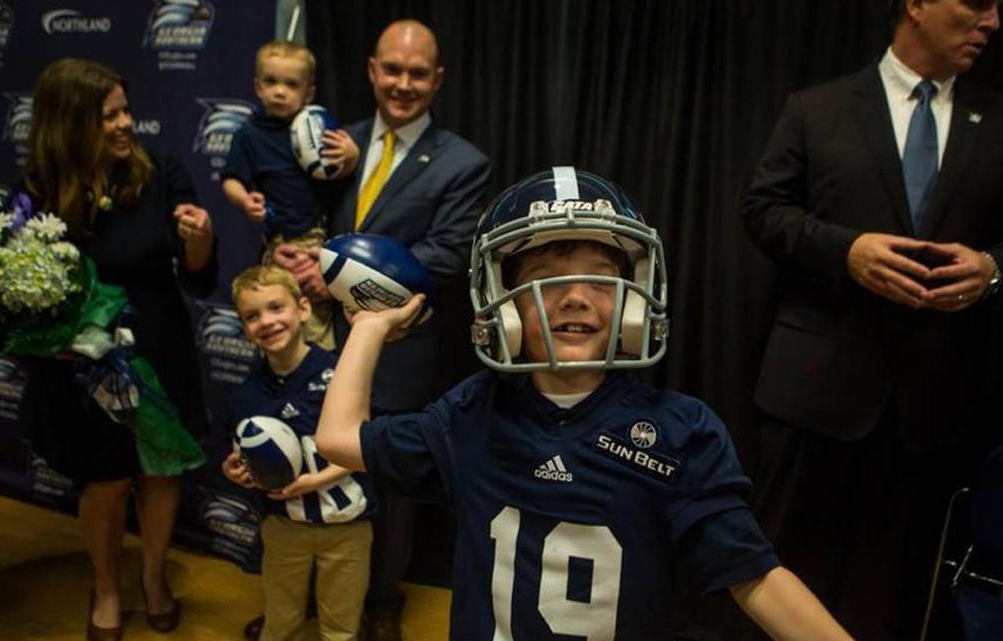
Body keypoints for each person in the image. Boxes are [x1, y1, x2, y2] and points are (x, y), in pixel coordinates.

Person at [315, 168, 855, 641]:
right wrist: (369, 326)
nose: (575, 297)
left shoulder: (679, 430)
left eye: (600, 278)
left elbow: (754, 576)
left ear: (632, 303)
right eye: (546, 281)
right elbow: (338, 440)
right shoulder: (474, 412)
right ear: (505, 309)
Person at [740, 1, 1003, 639]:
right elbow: (762, 210)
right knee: (779, 578)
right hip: (814, 399)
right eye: (977, 3)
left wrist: (989, 271)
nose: (994, 23)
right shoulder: (815, 108)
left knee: (893, 600)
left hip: (932, 408)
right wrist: (844, 251)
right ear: (918, 5)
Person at [273, 19, 491, 641]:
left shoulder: (462, 162)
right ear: (371, 70)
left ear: (437, 79)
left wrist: (339, 281)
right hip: (317, 340)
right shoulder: (336, 143)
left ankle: (382, 602)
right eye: (391, 70)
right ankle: (315, 595)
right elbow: (305, 214)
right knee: (313, 456)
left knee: (386, 481)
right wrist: (296, 252)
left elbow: (446, 254)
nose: (403, 84)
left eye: (417, 73)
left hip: (401, 348)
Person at [24, 58, 217, 641]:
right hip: (80, 369)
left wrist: (202, 241)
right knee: (104, 482)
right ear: (71, 122)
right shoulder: (36, 191)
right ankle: (106, 587)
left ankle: (154, 580)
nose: (126, 123)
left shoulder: (161, 174)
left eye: (127, 110)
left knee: (159, 476)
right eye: (110, 115)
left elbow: (199, 278)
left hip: (158, 352)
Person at [222, 265, 375, 641]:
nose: (267, 321)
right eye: (252, 316)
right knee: (281, 617)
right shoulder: (246, 393)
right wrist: (236, 470)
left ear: (303, 308)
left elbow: (366, 444)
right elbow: (242, 457)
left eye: (277, 307)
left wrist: (313, 482)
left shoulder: (340, 371)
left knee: (341, 625)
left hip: (347, 524)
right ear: (243, 328)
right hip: (283, 525)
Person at [223, 40, 359, 348]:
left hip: (319, 240)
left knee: (318, 326)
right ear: (257, 87)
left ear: (308, 92)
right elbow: (230, 179)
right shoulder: (249, 135)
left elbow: (344, 172)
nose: (280, 91)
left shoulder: (319, 127)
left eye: (291, 84)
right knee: (279, 324)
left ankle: (320, 381)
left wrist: (351, 156)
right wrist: (244, 199)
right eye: (271, 82)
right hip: (279, 245)